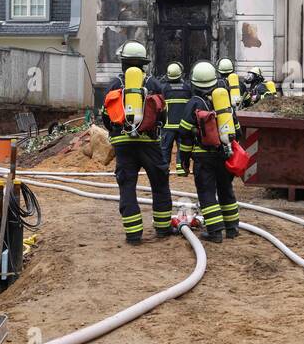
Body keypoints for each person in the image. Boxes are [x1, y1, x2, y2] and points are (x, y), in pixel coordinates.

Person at [101, 41, 173, 244]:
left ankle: (133, 235)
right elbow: (163, 115)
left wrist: (116, 133)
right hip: (149, 141)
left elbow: (106, 116)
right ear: (144, 63)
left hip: (123, 143)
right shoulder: (154, 84)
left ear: (123, 62)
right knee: (159, 183)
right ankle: (163, 228)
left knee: (127, 187)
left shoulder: (114, 84)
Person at [178, 61, 240, 243]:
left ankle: (214, 232)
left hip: (203, 156)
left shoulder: (194, 103)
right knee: (226, 190)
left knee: (206, 192)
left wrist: (184, 159)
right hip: (224, 154)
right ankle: (232, 228)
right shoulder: (223, 102)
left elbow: (184, 133)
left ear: (194, 84)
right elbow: (237, 130)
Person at [159, 62, 193, 176]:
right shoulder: (187, 88)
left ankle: (163, 170)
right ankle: (181, 169)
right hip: (182, 125)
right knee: (182, 148)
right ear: (180, 74)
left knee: (165, 149)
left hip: (167, 126)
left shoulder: (163, 88)